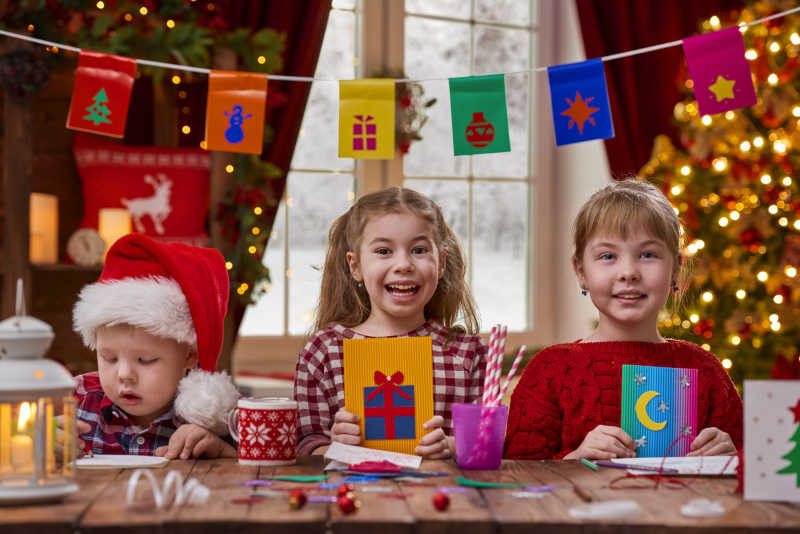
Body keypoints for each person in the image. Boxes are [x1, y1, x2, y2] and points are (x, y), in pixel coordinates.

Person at [504, 178, 742, 460]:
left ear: (676, 269)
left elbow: (752, 471)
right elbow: (517, 475)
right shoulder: (550, 371)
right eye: (608, 256)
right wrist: (575, 459)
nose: (628, 272)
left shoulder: (706, 371)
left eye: (648, 254)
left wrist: (732, 458)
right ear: (581, 271)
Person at [294, 187, 487, 458]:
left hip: (444, 486)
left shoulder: (469, 353)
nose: (403, 264)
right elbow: (304, 444)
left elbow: (488, 445)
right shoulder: (323, 352)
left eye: (419, 250)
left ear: (441, 262)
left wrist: (452, 447)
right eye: (384, 251)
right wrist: (335, 446)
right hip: (352, 485)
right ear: (355, 266)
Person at [70, 233, 238, 459]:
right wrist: (44, 445)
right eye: (109, 358)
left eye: (145, 360)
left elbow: (257, 469)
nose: (124, 374)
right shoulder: (75, 401)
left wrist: (222, 450)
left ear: (190, 355)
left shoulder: (220, 416)